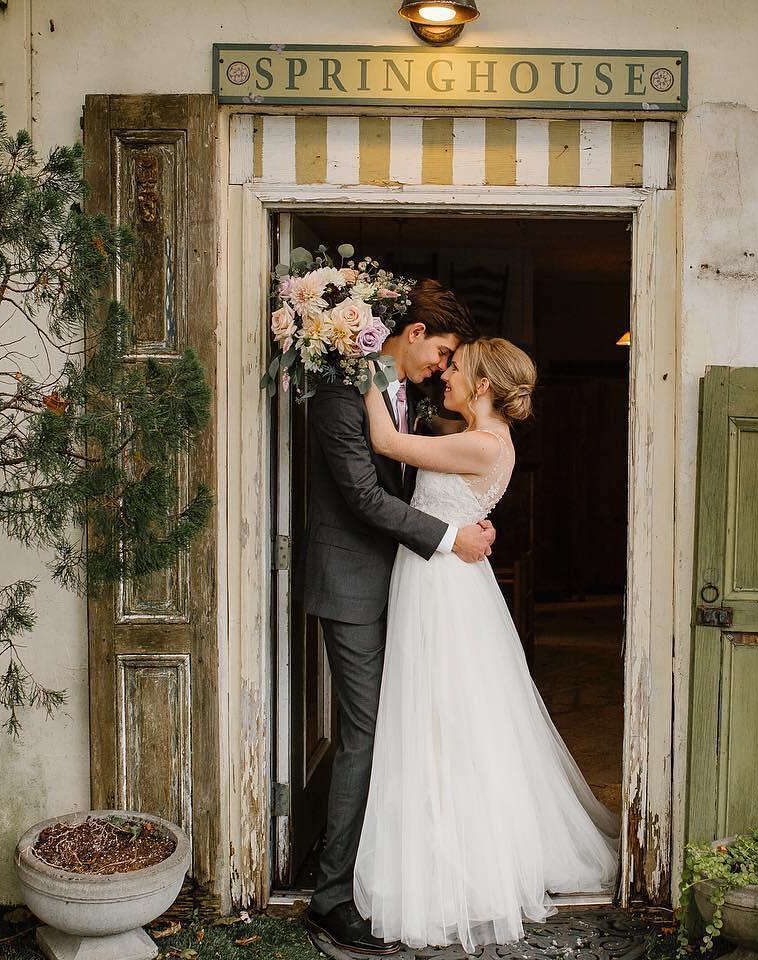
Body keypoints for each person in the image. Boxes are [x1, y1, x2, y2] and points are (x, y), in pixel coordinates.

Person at [352, 337, 619, 953]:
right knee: (452, 718)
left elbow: (388, 445)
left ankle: (457, 861)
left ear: (485, 387)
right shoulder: (479, 435)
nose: (444, 375)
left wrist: (364, 367)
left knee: (444, 721)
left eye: (458, 370)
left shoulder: (479, 442)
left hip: (443, 589)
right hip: (444, 580)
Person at [302, 280, 495, 957]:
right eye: (441, 353)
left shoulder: (400, 391)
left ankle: (382, 873)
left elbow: (424, 471)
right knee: (367, 733)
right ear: (412, 334)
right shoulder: (335, 392)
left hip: (404, 589)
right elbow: (359, 495)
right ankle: (329, 899)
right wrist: (449, 538)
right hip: (352, 586)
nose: (442, 368)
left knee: (402, 728)